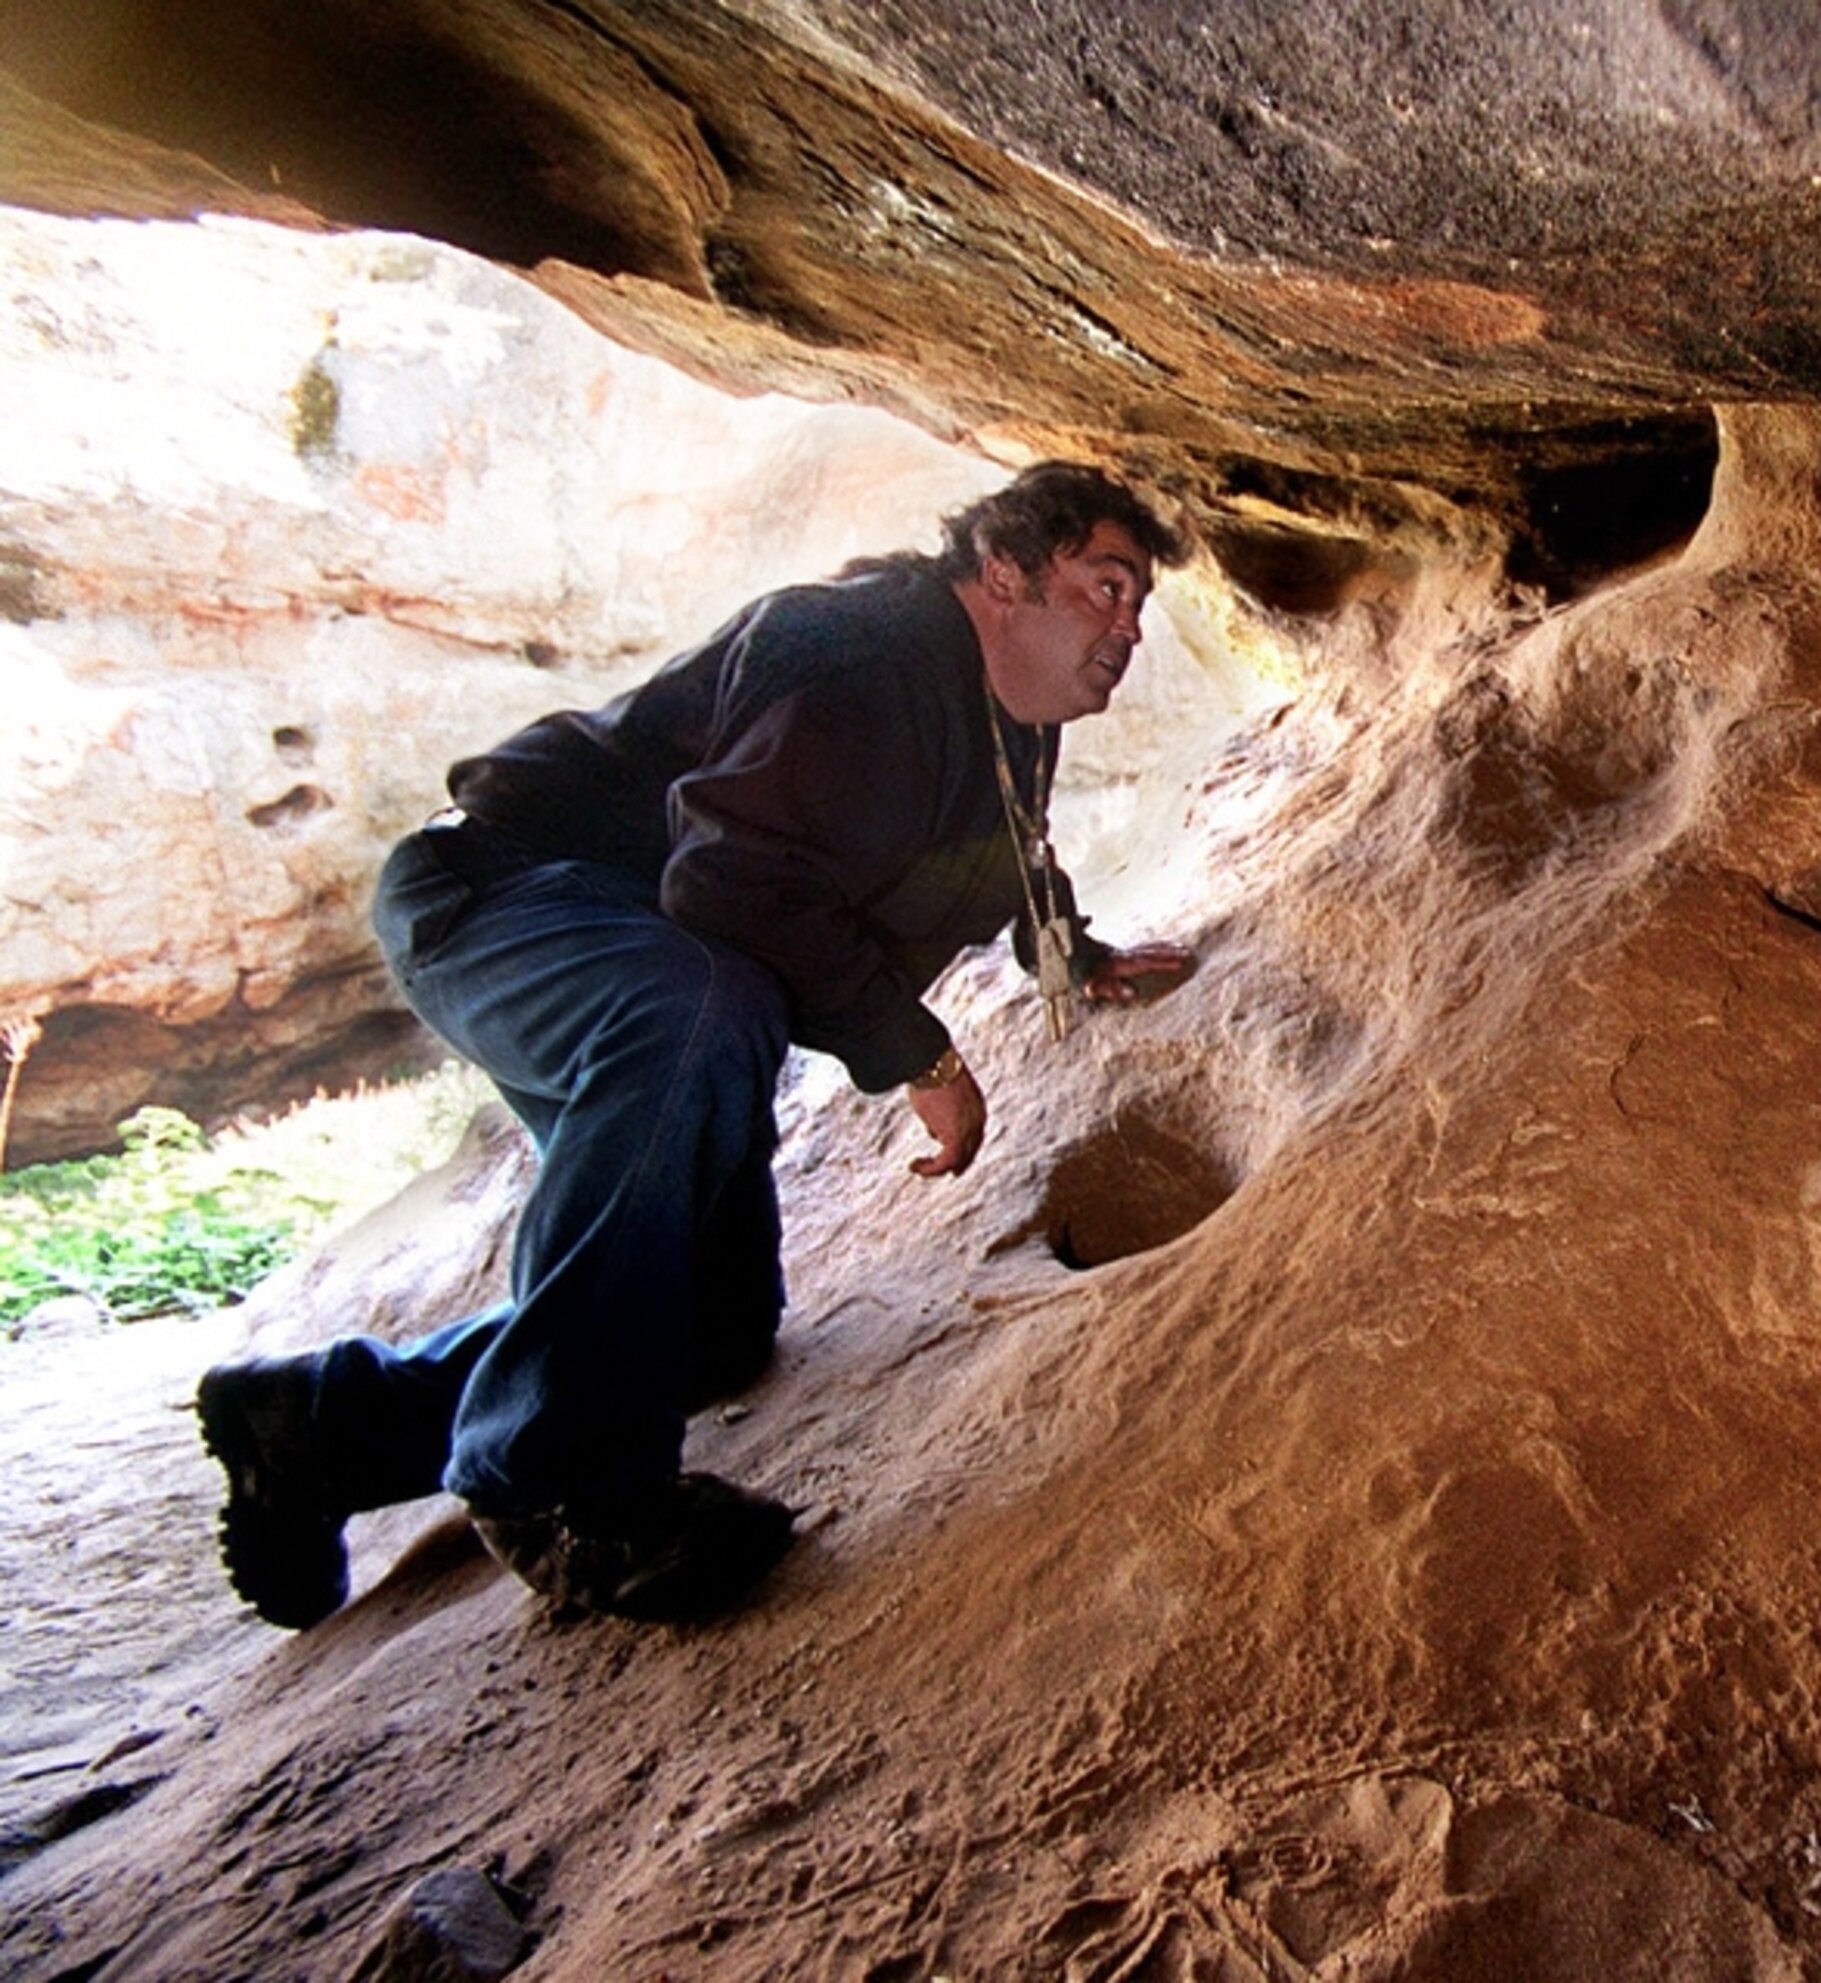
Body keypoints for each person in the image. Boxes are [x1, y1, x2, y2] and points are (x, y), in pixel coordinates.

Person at [194, 462, 1195, 1627]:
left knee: (711, 1325)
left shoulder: (996, 713)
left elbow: (1002, 848)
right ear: (1006, 569)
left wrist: (1069, 945)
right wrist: (916, 1056)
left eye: (1140, 604)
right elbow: (729, 877)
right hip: (510, 894)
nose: (1128, 626)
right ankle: (561, 1486)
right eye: (1106, 587)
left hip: (635, 951)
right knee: (703, 1003)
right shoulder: (867, 654)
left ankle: (321, 1429)